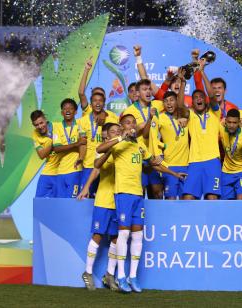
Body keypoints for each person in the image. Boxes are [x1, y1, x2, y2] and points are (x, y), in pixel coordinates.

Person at [96, 113, 186, 293]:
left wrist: (173, 174)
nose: (131, 126)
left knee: (138, 236)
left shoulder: (139, 145)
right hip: (123, 194)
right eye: (127, 123)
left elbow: (153, 163)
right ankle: (120, 275)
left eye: (133, 123)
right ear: (121, 127)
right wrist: (120, 136)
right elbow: (99, 149)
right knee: (124, 234)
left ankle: (133, 276)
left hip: (138, 195)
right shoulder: (118, 143)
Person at [78, 122, 121, 291]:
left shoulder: (124, 148)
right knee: (98, 235)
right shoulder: (102, 148)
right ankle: (87, 272)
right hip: (103, 199)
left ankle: (109, 275)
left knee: (117, 239)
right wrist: (87, 186)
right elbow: (96, 168)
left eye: (119, 130)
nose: (117, 132)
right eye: (113, 131)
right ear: (107, 135)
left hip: (119, 199)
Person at [122, 79, 165, 199]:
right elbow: (127, 134)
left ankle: (157, 218)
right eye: (144, 89)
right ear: (137, 93)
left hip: (155, 156)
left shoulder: (157, 105)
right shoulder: (129, 111)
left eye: (149, 89)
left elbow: (175, 105)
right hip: (139, 157)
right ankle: (139, 217)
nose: (148, 92)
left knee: (157, 193)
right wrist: (138, 127)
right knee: (140, 191)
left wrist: (184, 118)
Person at [178, 84, 223, 200]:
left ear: (205, 100)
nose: (198, 99)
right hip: (194, 162)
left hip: (212, 161)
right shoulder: (190, 115)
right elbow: (179, 105)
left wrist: (202, 72)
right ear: (192, 102)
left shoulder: (215, 113)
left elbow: (212, 96)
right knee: (188, 198)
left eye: (201, 97)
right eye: (195, 97)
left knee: (212, 197)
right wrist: (183, 82)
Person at [78, 90, 118, 197]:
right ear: (91, 104)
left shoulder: (111, 119)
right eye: (95, 101)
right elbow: (82, 143)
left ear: (104, 103)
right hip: (89, 165)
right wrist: (81, 158)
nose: (98, 103)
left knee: (104, 197)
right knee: (85, 197)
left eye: (100, 101)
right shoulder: (82, 121)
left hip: (106, 165)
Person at [155, 89, 189, 200]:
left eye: (171, 100)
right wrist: (158, 152)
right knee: (171, 200)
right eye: (166, 101)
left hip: (186, 165)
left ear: (177, 101)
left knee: (187, 200)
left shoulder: (186, 117)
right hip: (170, 166)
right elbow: (153, 138)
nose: (169, 103)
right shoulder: (160, 118)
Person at [52, 99, 87, 198]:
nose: (68, 111)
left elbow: (83, 143)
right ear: (61, 112)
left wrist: (81, 157)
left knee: (72, 202)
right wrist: (75, 145)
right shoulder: (57, 127)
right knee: (60, 204)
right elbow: (57, 149)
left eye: (71, 108)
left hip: (75, 170)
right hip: (60, 172)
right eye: (65, 109)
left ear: (76, 112)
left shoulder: (80, 126)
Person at [30, 110, 60, 198]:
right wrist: (52, 140)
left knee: (58, 203)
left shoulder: (58, 127)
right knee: (39, 201)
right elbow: (41, 155)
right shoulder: (34, 134)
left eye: (41, 123)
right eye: (36, 125)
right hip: (48, 170)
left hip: (62, 171)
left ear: (45, 119)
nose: (40, 126)